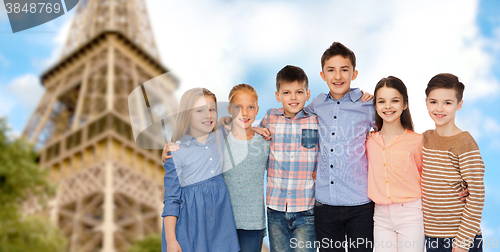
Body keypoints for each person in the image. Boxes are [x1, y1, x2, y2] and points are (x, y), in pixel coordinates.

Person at [305, 42, 375, 252]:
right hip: (325, 202)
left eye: (344, 69)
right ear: (322, 74)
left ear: (354, 74)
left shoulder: (367, 105)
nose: (338, 76)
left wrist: (375, 97)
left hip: (360, 203)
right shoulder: (316, 104)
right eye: (331, 70)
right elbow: (294, 118)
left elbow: (389, 132)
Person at [161, 88, 239, 252]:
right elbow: (171, 200)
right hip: (190, 230)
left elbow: (241, 122)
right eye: (199, 110)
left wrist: (259, 130)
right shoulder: (176, 152)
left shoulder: (221, 135)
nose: (208, 115)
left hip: (221, 225)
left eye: (212, 109)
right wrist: (171, 240)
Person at [422, 73, 485, 252]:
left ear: (459, 105)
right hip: (430, 236)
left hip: (460, 238)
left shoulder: (465, 142)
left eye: (447, 103)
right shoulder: (425, 139)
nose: (439, 108)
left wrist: (462, 243)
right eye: (433, 101)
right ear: (426, 102)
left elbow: (477, 196)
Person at [366, 76, 424, 251]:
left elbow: (429, 176)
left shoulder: (418, 141)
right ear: (375, 105)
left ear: (405, 104)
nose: (388, 106)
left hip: (411, 214)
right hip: (380, 215)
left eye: (395, 100)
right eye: (381, 101)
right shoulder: (369, 141)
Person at [222, 84, 270, 252]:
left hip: (253, 224)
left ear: (257, 109)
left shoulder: (264, 141)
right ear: (229, 109)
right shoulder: (220, 140)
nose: (244, 112)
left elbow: (282, 167)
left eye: (250, 107)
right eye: (238, 107)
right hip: (223, 222)